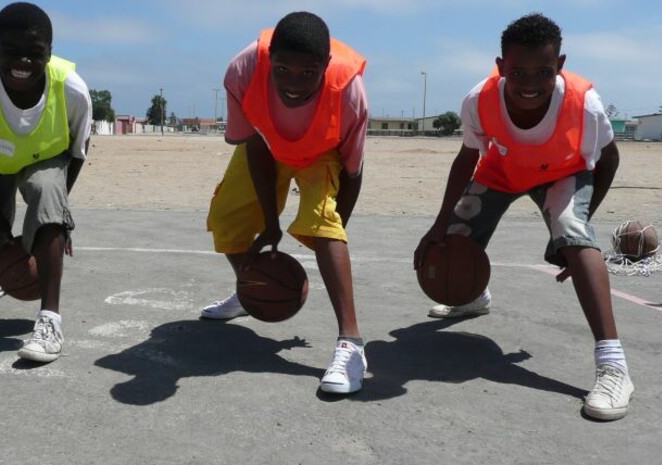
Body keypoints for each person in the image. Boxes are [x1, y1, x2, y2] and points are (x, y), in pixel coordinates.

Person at [413, 13, 632, 420]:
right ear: (501, 68)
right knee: (457, 235)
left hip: (563, 173)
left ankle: (613, 365)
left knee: (572, 230)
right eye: (518, 72)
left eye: (543, 72)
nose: (530, 83)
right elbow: (467, 157)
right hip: (503, 172)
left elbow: (610, 160)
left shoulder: (584, 104)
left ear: (560, 66)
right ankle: (471, 296)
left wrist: (574, 236)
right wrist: (439, 222)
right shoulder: (479, 99)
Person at [203, 12, 369, 394]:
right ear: (268, 59)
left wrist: (333, 230)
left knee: (322, 220)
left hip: (323, 154)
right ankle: (250, 288)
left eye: (308, 72)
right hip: (269, 145)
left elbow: (353, 172)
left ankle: (352, 344)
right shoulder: (242, 72)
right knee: (228, 217)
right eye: (282, 69)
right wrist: (271, 222)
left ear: (325, 66)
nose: (294, 82)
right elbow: (255, 143)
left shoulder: (350, 92)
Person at [0, 2, 91, 363]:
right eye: (12, 53)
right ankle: (0, 270)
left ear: (50, 53)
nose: (23, 62)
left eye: (34, 54)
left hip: (47, 158)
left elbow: (76, 154)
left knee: (46, 195)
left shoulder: (72, 89)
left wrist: (56, 216)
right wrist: (0, 228)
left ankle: (49, 319)